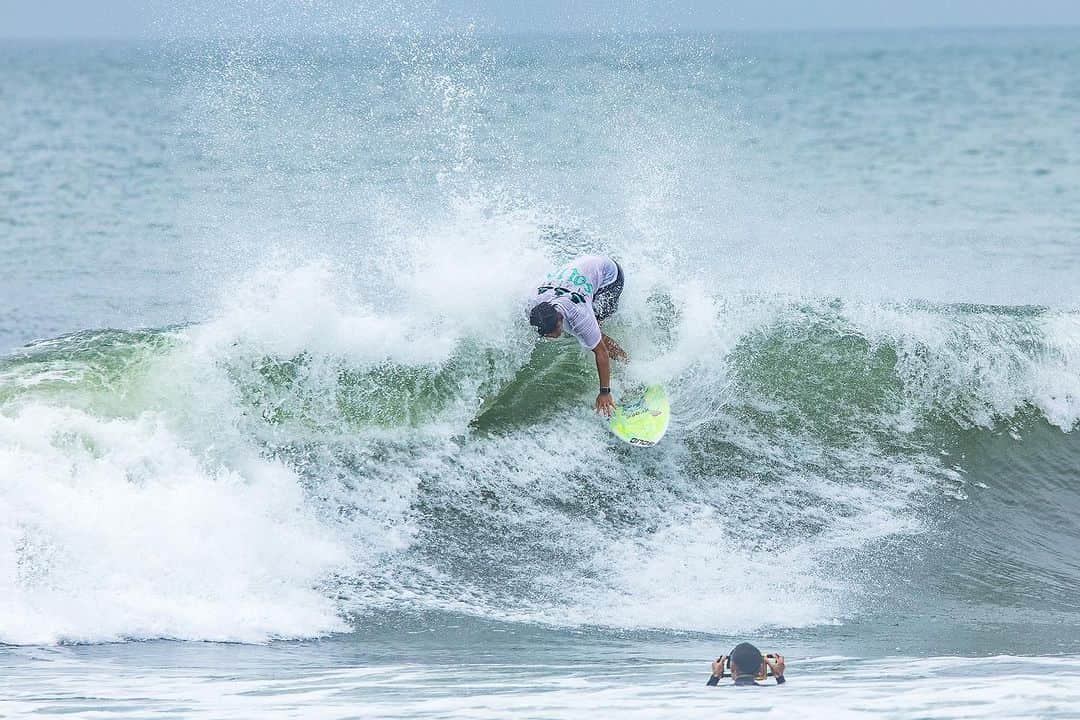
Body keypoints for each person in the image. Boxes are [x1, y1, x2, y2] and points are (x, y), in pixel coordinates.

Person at [526, 254, 628, 415]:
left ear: (559, 320)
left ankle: (625, 361)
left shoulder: (578, 314)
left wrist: (604, 392)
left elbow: (601, 352)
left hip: (610, 277)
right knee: (589, 332)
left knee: (597, 337)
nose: (548, 337)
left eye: (551, 333)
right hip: (585, 267)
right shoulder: (534, 298)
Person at [706, 643, 786, 686]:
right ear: (760, 668)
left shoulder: (722, 693)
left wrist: (715, 676)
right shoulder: (772, 692)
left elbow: (707, 699)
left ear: (732, 666)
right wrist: (779, 676)